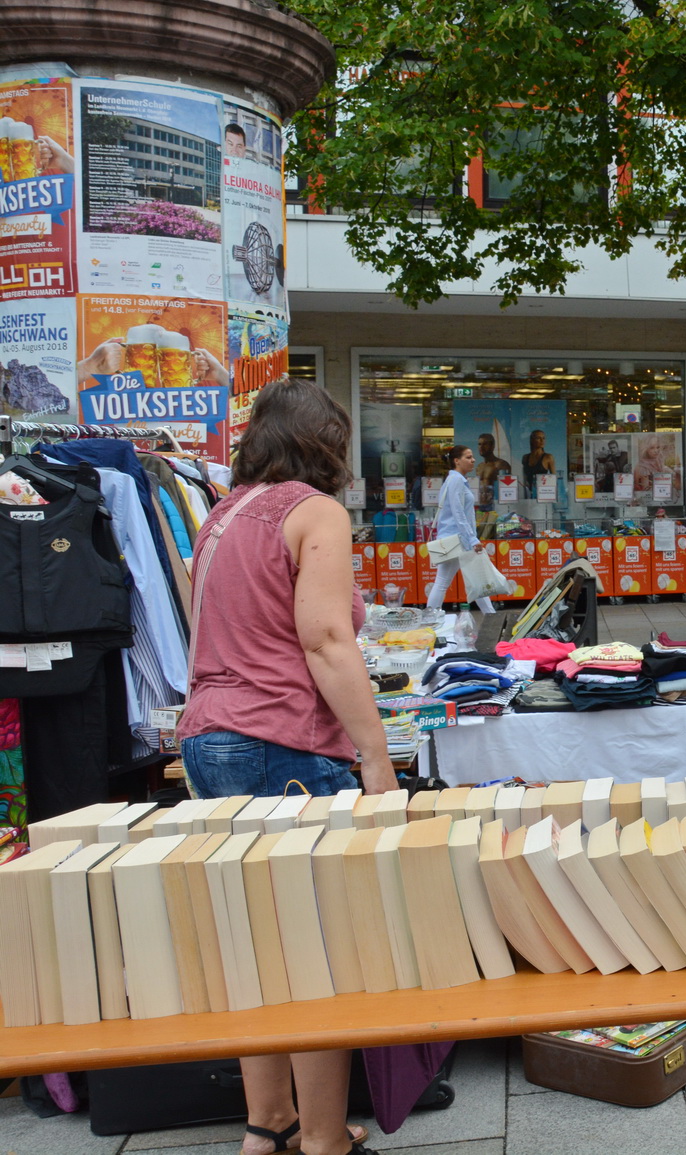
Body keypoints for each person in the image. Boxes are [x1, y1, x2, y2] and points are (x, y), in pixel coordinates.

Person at [176, 378, 385, 1155]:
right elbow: (327, 639)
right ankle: (326, 1138)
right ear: (325, 441)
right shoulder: (314, 512)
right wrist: (376, 757)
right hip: (283, 742)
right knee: (312, 949)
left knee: (252, 941)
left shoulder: (222, 516)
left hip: (209, 736)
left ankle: (269, 1124)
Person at [425, 445, 495, 613]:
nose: (473, 460)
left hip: (457, 539)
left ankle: (491, 616)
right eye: (468, 457)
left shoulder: (456, 480)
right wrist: (472, 538)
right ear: (456, 461)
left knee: (449, 581)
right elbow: (458, 512)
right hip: (458, 539)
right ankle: (491, 617)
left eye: (472, 457)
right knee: (448, 581)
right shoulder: (456, 480)